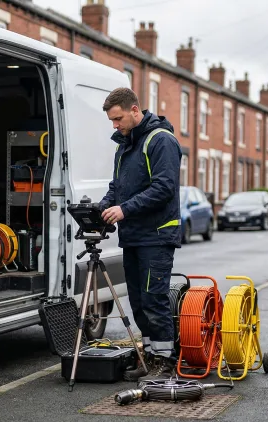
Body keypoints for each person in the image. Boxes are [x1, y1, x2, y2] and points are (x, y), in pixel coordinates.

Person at [98, 87, 182, 381]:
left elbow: (164, 188)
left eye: (118, 118)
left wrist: (125, 210)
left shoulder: (161, 141)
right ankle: (149, 356)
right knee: (138, 301)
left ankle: (165, 362)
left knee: (153, 299)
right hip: (134, 235)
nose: (115, 125)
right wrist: (105, 206)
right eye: (112, 120)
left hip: (157, 236)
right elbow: (117, 186)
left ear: (135, 110)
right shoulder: (125, 145)